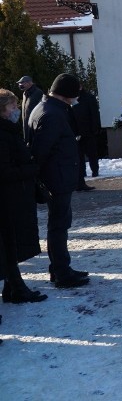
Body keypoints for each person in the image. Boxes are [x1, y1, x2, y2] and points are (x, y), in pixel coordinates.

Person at [28, 73, 90, 288]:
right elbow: (41, 150)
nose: (76, 99)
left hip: (57, 176)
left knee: (58, 224)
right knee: (59, 225)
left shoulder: (46, 108)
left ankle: (60, 269)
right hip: (57, 178)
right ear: (67, 95)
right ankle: (62, 272)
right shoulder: (52, 113)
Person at [0, 89, 47, 303]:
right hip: (9, 199)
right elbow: (4, 171)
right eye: (12, 106)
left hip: (14, 197)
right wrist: (31, 169)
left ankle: (13, 287)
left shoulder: (8, 130)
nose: (17, 110)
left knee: (12, 244)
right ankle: (17, 288)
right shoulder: (2, 134)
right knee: (10, 243)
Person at [72, 85, 101, 189]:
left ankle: (95, 170)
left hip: (88, 130)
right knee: (79, 155)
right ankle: (82, 173)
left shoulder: (89, 97)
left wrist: (95, 128)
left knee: (92, 153)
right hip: (76, 131)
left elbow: (94, 113)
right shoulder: (71, 98)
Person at [17, 75, 43, 142]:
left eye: (22, 83)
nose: (20, 85)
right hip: (25, 124)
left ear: (29, 83)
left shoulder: (38, 93)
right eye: (19, 83)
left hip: (34, 125)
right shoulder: (24, 93)